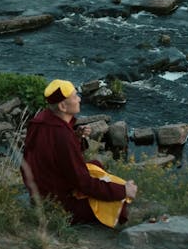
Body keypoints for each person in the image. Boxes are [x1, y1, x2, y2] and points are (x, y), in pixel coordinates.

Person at [21, 78, 138, 227]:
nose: (79, 99)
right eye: (75, 97)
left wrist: (76, 136)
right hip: (57, 204)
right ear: (63, 106)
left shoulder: (40, 120)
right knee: (118, 206)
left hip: (39, 192)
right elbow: (83, 183)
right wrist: (123, 191)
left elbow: (54, 153)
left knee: (95, 164)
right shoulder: (62, 134)